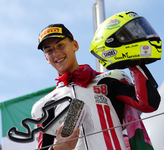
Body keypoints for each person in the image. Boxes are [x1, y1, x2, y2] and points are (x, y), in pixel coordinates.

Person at [31, 23, 160, 150]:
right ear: (46, 58)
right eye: (49, 50)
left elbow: (148, 104)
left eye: (60, 45)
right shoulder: (44, 106)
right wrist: (57, 148)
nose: (56, 53)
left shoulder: (110, 79)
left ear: (75, 45)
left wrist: (134, 60)